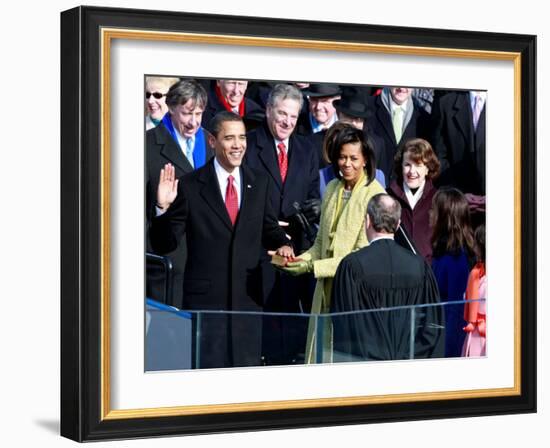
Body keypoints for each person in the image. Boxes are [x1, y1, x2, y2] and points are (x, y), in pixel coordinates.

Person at [149, 111, 294, 369]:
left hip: (247, 305)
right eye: (229, 138)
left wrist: (284, 243)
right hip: (207, 306)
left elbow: (269, 228)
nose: (238, 145)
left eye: (242, 138)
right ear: (213, 141)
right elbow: (165, 244)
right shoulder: (191, 185)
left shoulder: (258, 182)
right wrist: (162, 208)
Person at [280, 124, 385, 363]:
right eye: (342, 157)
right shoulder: (331, 188)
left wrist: (311, 267)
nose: (346, 164)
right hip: (324, 292)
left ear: (366, 160)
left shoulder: (375, 195)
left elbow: (359, 257)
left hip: (353, 296)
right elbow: (319, 243)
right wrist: (299, 260)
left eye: (353, 158)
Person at [244, 84, 320, 364]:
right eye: (282, 114)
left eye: (293, 116)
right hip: (260, 248)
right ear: (268, 111)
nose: (287, 121)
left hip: (296, 249)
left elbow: (312, 193)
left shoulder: (306, 148)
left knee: (290, 321)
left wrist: (315, 208)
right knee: (264, 321)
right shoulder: (250, 144)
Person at [330, 194, 444, 361]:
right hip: (410, 368)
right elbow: (432, 326)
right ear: (398, 225)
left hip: (366, 369)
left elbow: (345, 328)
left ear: (367, 221)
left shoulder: (351, 267)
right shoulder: (420, 266)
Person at [146, 79, 214, 308]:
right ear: (172, 107)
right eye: (187, 113)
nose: (193, 121)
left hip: (205, 262)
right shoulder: (147, 145)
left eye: (199, 113)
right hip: (168, 263)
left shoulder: (208, 141)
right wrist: (160, 207)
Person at [430, 187, 476, 357]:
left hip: (449, 345)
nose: (430, 213)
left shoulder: (457, 258)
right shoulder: (445, 253)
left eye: (434, 210)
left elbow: (456, 311)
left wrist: (447, 354)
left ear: (444, 218)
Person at [388, 138, 441, 262]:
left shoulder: (438, 199)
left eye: (418, 165)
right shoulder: (388, 196)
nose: (412, 171)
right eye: (407, 165)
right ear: (400, 166)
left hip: (428, 271)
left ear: (428, 168)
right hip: (396, 268)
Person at [367, 87, 431, 183]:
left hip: (403, 189)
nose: (401, 88)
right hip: (373, 185)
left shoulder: (422, 118)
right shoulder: (368, 108)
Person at [297, 83, 342, 167]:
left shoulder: (346, 128)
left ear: (337, 100)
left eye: (324, 101)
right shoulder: (295, 127)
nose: (318, 107)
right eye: (314, 99)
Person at [462, 224, 487, 357]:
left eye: (477, 243)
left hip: (484, 337)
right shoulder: (477, 273)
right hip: (474, 333)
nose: (474, 247)